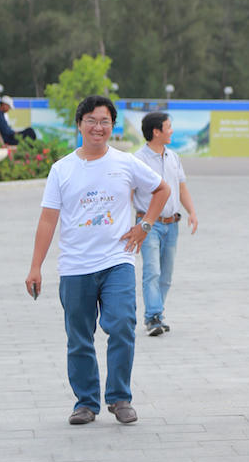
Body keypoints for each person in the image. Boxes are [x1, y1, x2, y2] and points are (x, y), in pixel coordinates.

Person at [25, 95, 170, 426]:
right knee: (79, 337)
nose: (98, 127)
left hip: (117, 260)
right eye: (91, 120)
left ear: (112, 127)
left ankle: (119, 398)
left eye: (105, 121)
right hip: (75, 267)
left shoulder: (125, 163)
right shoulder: (61, 170)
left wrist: (144, 225)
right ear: (79, 125)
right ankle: (86, 402)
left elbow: (161, 190)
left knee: (121, 324)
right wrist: (36, 266)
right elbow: (48, 220)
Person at [133, 111, 199, 336]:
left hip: (172, 224)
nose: (171, 131)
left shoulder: (173, 157)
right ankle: (152, 317)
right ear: (156, 132)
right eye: (168, 127)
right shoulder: (138, 160)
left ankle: (158, 314)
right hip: (148, 224)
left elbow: (182, 188)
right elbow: (128, 193)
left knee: (166, 275)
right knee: (152, 271)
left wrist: (192, 212)